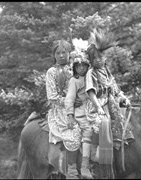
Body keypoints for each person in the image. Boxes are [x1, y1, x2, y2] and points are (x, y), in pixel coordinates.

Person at [85, 28, 134, 177]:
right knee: (102, 126)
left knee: (125, 118)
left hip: (110, 103)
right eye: (95, 58)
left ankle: (120, 146)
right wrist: (98, 106)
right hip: (96, 106)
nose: (99, 60)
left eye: (101, 57)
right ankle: (94, 159)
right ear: (91, 61)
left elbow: (115, 89)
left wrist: (123, 98)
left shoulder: (107, 71)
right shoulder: (91, 73)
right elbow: (91, 93)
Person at [65, 41, 93, 179]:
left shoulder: (92, 78)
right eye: (78, 66)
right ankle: (81, 167)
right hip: (80, 111)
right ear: (74, 67)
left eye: (84, 65)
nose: (81, 68)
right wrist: (70, 115)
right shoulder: (74, 81)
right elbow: (69, 98)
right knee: (83, 132)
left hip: (93, 109)